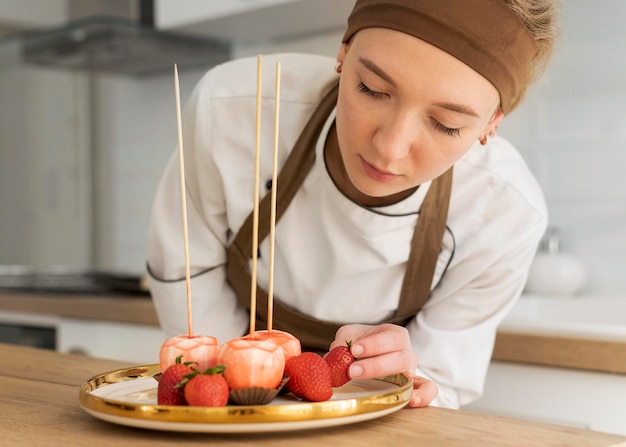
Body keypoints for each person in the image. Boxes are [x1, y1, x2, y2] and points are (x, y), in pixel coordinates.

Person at [147, 0, 559, 408]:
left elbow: (440, 381)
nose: (390, 147)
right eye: (372, 89)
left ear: (491, 124)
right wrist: (240, 389)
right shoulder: (234, 109)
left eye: (445, 125)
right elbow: (187, 270)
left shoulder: (504, 213)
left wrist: (412, 380)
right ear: (343, 52)